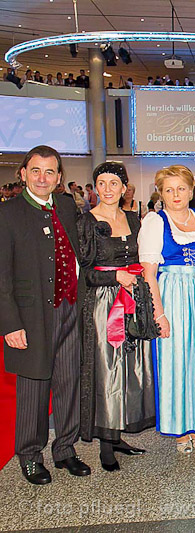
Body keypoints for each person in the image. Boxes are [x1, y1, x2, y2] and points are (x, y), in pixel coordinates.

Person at [0, 146, 89, 485]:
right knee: (34, 387)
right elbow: (2, 276)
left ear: (59, 178)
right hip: (32, 316)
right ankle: (30, 454)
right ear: (23, 173)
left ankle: (65, 448)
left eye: (49, 172)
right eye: (35, 170)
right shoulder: (7, 214)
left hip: (69, 309)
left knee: (68, 382)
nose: (42, 178)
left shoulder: (66, 206)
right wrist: (10, 324)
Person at [139, 165, 195, 454]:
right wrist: (159, 313)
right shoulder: (155, 221)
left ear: (192, 191)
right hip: (173, 296)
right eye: (169, 190)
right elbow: (149, 273)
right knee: (177, 361)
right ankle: (181, 429)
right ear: (161, 193)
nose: (175, 195)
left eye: (181, 188)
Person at [77, 162, 155, 471]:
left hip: (133, 301)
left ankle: (119, 433)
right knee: (107, 370)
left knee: (129, 369)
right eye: (102, 183)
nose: (108, 188)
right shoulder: (86, 222)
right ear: (95, 188)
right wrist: (115, 277)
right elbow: (83, 271)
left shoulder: (135, 219)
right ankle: (105, 447)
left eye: (114, 183)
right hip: (103, 304)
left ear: (124, 188)